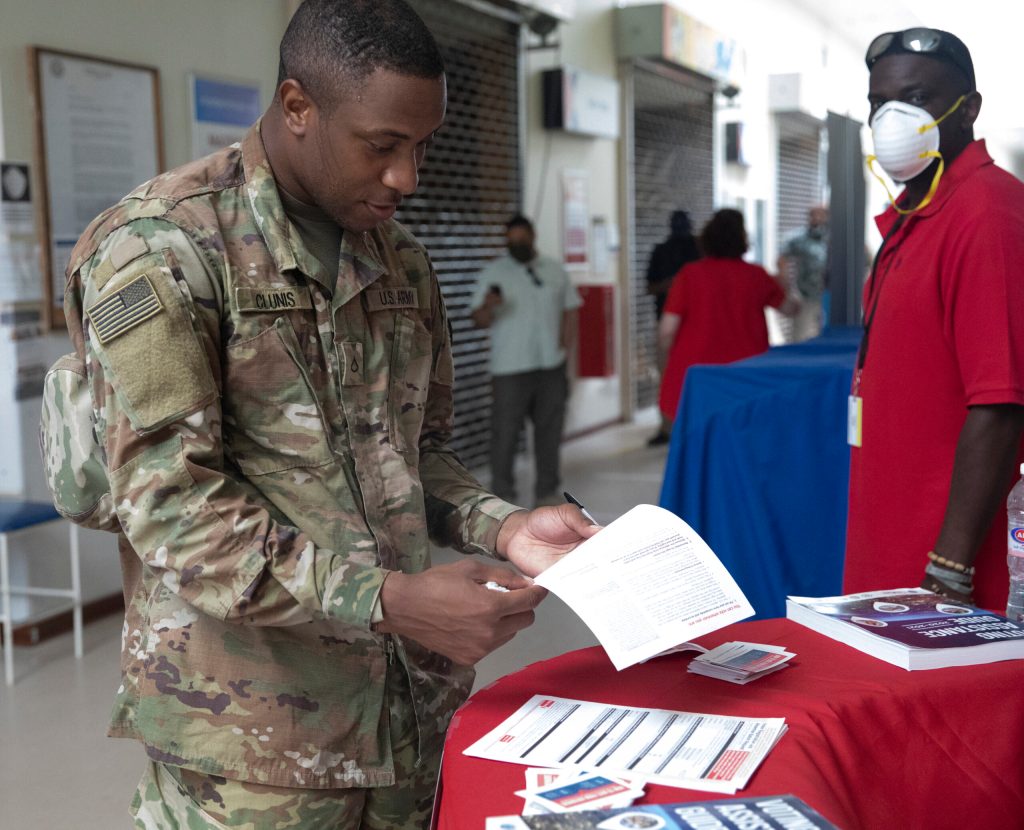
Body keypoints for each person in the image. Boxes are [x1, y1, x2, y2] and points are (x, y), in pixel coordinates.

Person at [41, 2, 598, 827]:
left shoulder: (398, 258)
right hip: (255, 745)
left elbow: (419, 451)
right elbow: (172, 508)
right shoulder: (163, 249)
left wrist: (503, 526)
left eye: (423, 146)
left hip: (412, 712)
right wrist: (390, 599)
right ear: (298, 107)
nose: (406, 177)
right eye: (382, 146)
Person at [845, 28, 1024, 609]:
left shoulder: (987, 215)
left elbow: (1000, 402)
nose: (890, 117)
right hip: (893, 534)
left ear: (968, 109)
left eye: (916, 98)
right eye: (878, 102)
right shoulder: (915, 213)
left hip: (946, 570)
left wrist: (950, 568)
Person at [470, 214, 581, 507]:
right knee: (504, 432)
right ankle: (502, 493)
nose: (517, 243)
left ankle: (547, 491)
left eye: (522, 237)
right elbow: (478, 320)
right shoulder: (493, 273)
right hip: (510, 367)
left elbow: (570, 309)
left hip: (551, 365)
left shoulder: (555, 270)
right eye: (512, 239)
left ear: (533, 236)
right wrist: (488, 306)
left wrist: (566, 346)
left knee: (549, 431)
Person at [656, 209, 793, 429]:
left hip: (697, 376)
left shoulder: (689, 275)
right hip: (746, 375)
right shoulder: (757, 275)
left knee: (696, 443)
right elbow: (790, 309)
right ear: (742, 239)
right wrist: (785, 282)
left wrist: (668, 357)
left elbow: (667, 331)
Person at [645, 210, 700, 446]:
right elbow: (650, 286)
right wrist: (670, 285)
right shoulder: (661, 251)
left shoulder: (699, 251)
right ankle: (667, 427)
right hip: (668, 318)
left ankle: (690, 424)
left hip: (695, 323)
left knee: (692, 375)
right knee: (667, 375)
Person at [777, 205, 829, 342]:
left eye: (821, 215)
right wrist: (788, 291)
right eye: (813, 215)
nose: (817, 219)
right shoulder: (799, 238)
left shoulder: (837, 238)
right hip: (806, 295)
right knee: (801, 337)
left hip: (831, 297)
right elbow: (782, 260)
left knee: (830, 337)